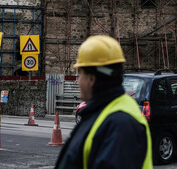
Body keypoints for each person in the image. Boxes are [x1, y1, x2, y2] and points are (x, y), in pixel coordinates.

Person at [55, 35, 152, 169]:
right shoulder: (103, 113)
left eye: (80, 74)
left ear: (91, 79)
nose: (78, 81)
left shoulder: (120, 124)